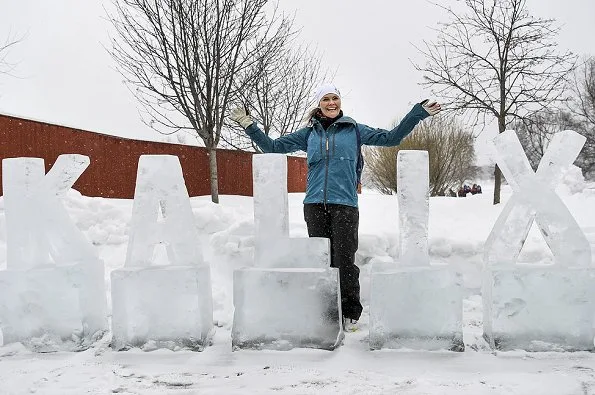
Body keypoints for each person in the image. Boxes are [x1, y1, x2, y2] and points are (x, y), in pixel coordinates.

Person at [230, 83, 441, 330]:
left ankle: (350, 313)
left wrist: (418, 113)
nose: (331, 103)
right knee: (321, 262)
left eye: (335, 98)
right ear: (319, 104)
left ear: (340, 102)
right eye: (326, 99)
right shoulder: (309, 134)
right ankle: (326, 313)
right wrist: (249, 125)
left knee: (344, 260)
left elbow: (391, 138)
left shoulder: (354, 130)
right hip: (314, 205)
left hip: (345, 205)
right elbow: (272, 147)